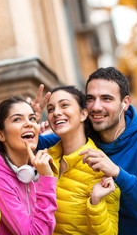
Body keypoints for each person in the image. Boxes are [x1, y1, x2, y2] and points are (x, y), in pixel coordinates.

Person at [80, 67, 137, 234]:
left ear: (125, 103)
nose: (96, 106)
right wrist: (31, 122)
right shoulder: (83, 137)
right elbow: (40, 143)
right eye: (90, 99)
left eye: (106, 99)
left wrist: (117, 173)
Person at [45, 86, 120, 234]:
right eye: (50, 109)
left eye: (64, 105)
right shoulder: (44, 161)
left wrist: (96, 202)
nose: (56, 113)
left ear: (83, 114)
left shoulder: (100, 169)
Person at [0, 96, 57, 235]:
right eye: (17, 119)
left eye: (32, 119)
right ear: (0, 134)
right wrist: (47, 179)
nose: (29, 124)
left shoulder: (33, 172)